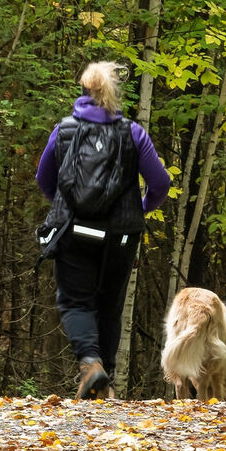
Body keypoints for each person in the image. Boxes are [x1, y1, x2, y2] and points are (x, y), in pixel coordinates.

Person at [35, 61, 171, 399]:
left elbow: (44, 179)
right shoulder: (132, 133)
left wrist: (66, 205)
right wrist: (141, 209)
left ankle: (91, 364)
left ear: (82, 92)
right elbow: (160, 182)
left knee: (74, 301)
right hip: (120, 237)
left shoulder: (64, 130)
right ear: (113, 94)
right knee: (110, 305)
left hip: (74, 232)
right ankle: (103, 384)